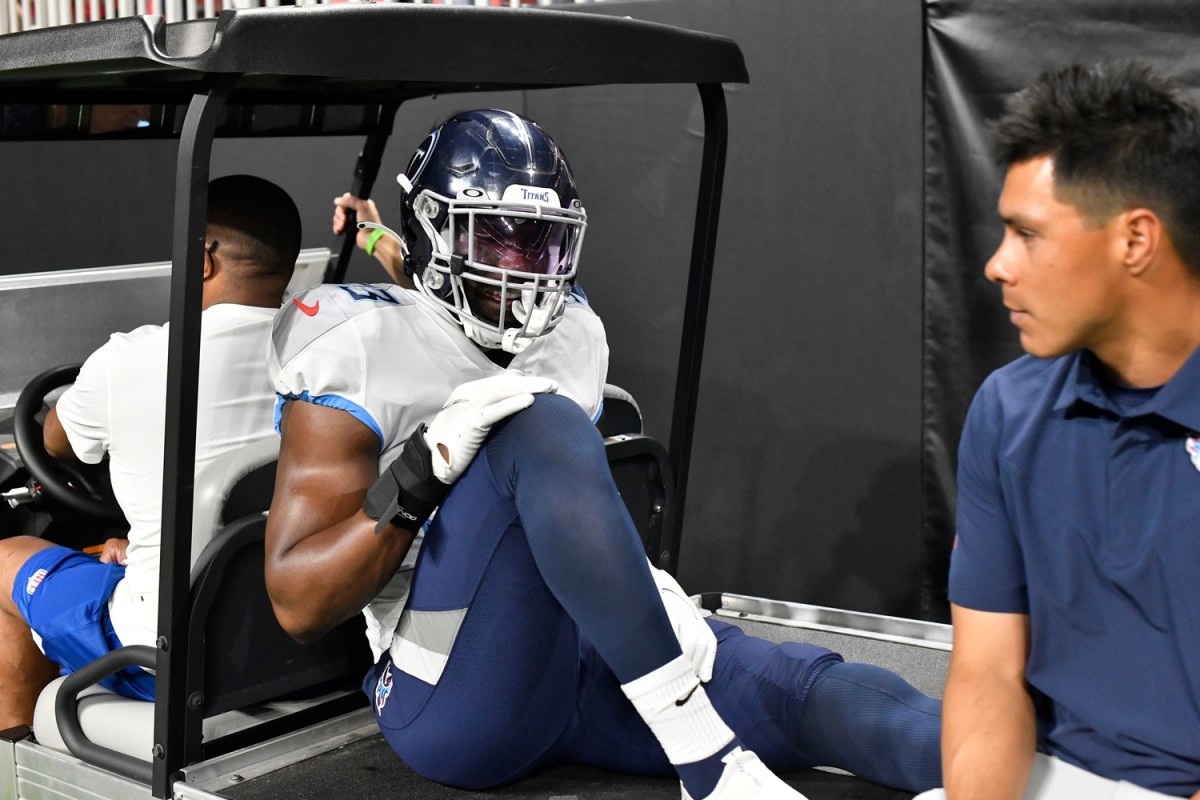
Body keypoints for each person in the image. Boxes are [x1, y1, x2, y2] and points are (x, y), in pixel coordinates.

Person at [266, 108, 941, 800]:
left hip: (590, 654)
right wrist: (420, 472)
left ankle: (1034, 773)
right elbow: (297, 605)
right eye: (493, 240)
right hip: (450, 688)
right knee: (538, 423)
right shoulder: (355, 343)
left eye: (538, 244)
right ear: (434, 232)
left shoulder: (571, 331)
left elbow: (423, 282)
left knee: (813, 696)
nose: (519, 268)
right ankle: (710, 769)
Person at [919, 61, 1200, 800]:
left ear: (1136, 240)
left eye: (1027, 234)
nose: (996, 265)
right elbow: (987, 671)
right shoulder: (1009, 410)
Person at [0, 174, 302, 729]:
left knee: (5, 559)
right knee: (115, 548)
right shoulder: (334, 350)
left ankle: (17, 751)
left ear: (204, 258)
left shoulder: (132, 360)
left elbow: (55, 443)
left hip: (164, 653)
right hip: (298, 631)